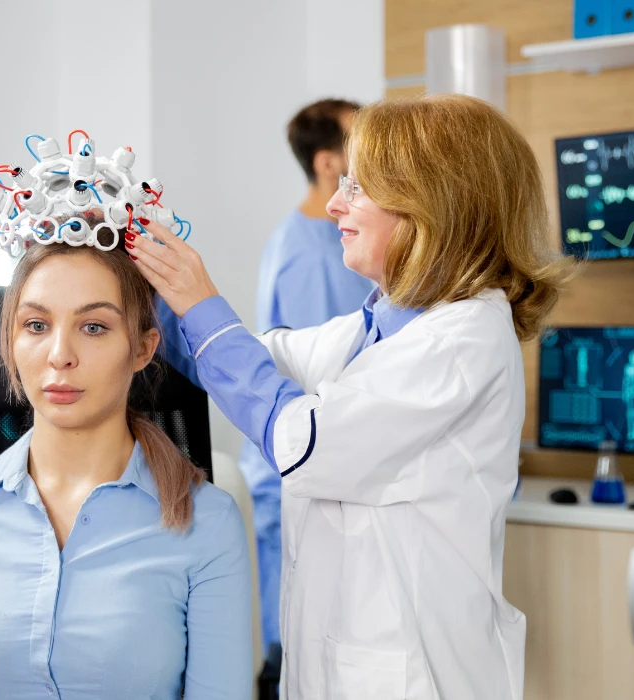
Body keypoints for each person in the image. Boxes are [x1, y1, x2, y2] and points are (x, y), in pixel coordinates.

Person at [129, 94, 570, 699]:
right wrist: (139, 278)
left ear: (431, 205)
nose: (335, 203)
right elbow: (245, 361)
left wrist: (202, 302)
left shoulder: (460, 341)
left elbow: (302, 440)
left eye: (358, 187)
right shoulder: (378, 328)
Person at [0, 238, 253, 699]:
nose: (60, 354)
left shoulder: (207, 522)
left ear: (143, 349)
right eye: (36, 325)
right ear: (10, 342)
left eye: (93, 327)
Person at [242, 97, 373, 661]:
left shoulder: (333, 240)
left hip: (326, 468)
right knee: (299, 651)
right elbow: (326, 381)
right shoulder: (311, 254)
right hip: (302, 472)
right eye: (360, 144)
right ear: (328, 164)